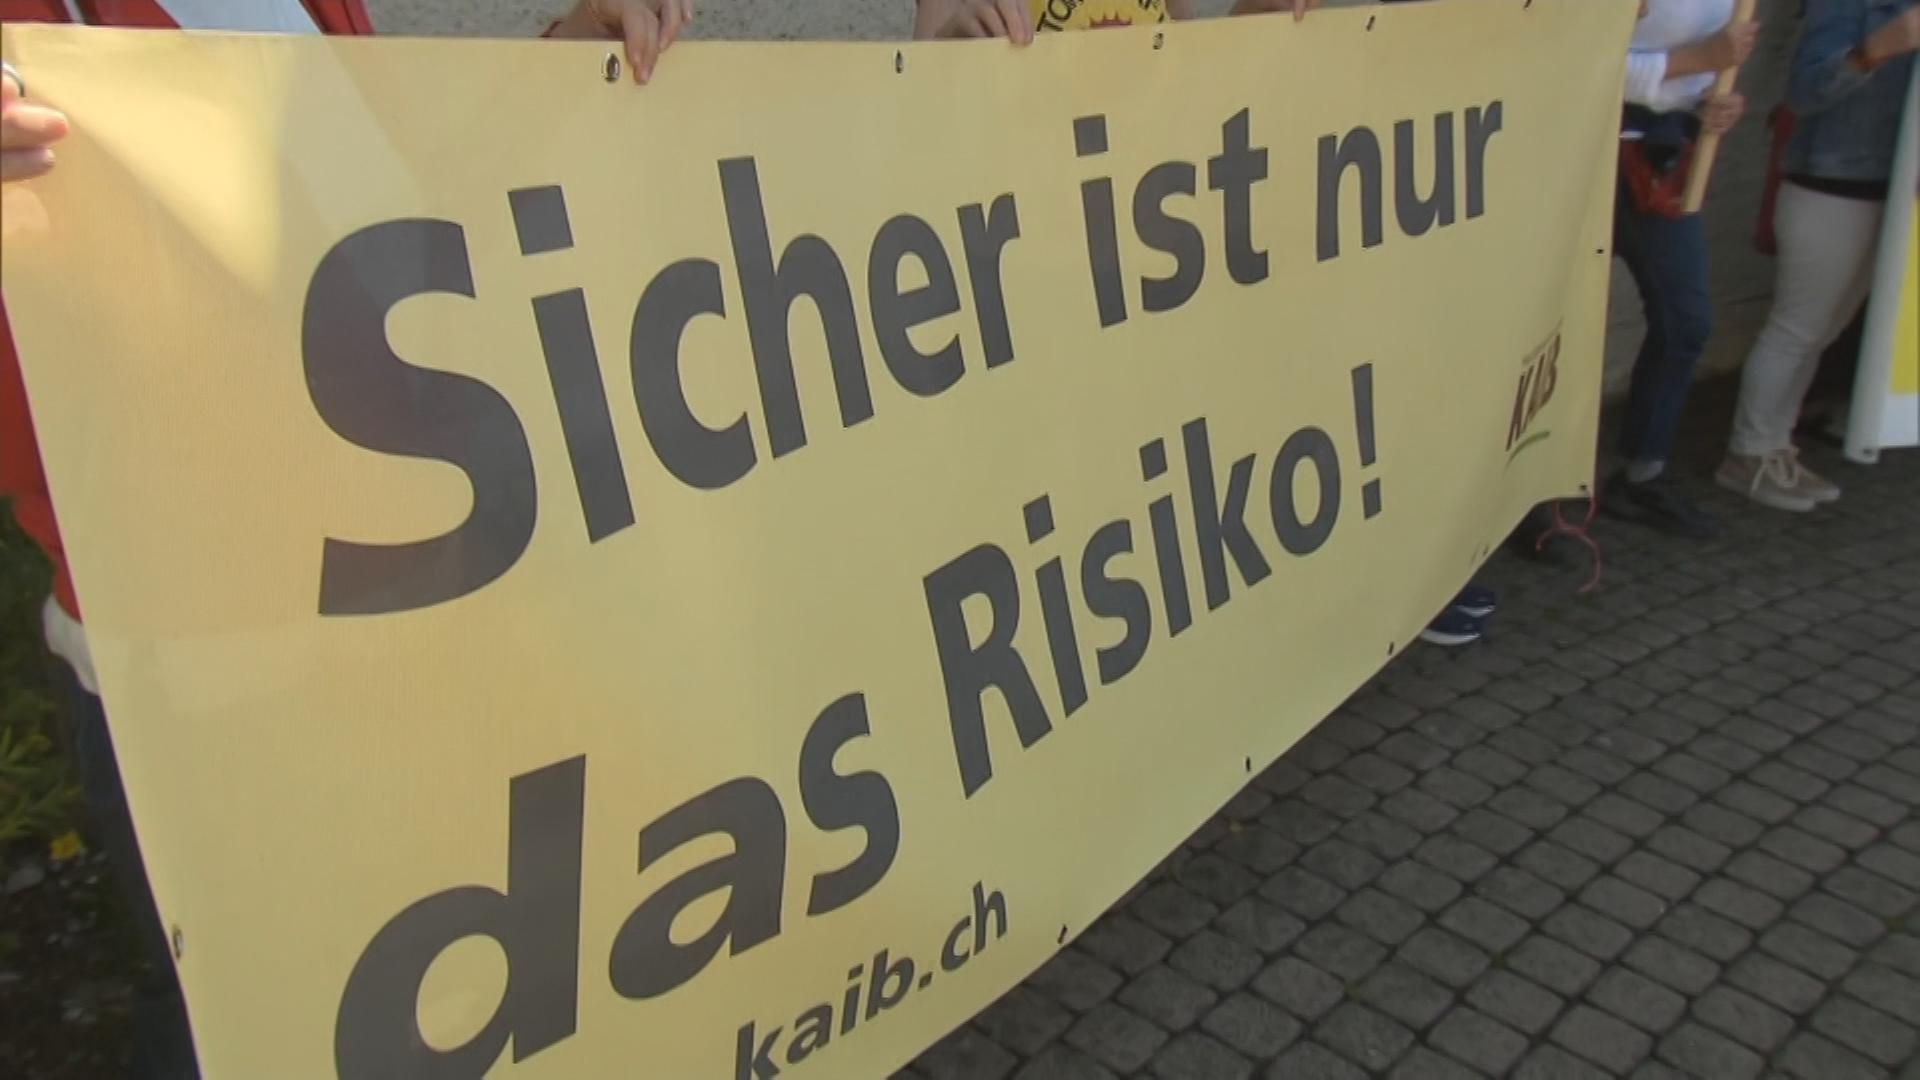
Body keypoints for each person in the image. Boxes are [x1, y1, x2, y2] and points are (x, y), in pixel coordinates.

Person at [0, 3, 682, 1075]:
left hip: (413, 612)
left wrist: (566, 62)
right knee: (251, 1032)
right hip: (207, 680)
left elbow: (398, 213)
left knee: (459, 1000)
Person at [1718, 1, 1920, 511]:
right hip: (1829, 185)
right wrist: (1874, 51)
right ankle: (1747, 455)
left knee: (1823, 330)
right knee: (1797, 328)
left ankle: (1774, 446)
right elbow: (1804, 92)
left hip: (1892, 190)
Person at [1598, 0, 1757, 538]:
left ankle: (1642, 474)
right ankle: (1531, 497)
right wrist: (1698, 60)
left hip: (1660, 161)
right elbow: (1578, 61)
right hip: (1586, 150)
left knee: (1685, 321)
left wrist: (1713, 103)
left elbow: (1703, 75)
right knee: (1557, 330)